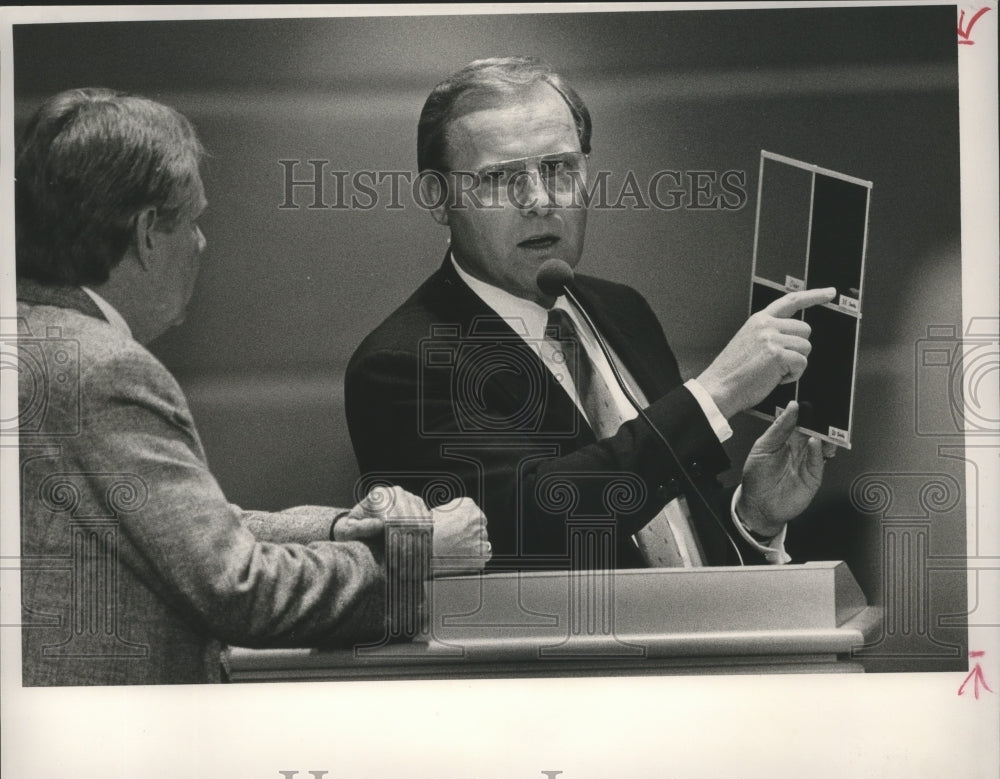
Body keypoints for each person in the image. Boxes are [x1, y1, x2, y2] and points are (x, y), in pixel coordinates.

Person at [14, 88, 489, 686]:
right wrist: (414, 559)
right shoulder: (103, 369)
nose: (202, 244)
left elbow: (181, 532)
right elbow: (236, 588)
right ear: (146, 234)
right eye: (194, 220)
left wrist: (341, 527)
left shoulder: (32, 344)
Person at [345, 57, 836, 572]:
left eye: (559, 169)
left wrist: (753, 515)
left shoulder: (621, 311)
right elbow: (534, 523)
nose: (538, 199)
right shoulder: (401, 364)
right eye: (501, 178)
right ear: (438, 198)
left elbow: (660, 534)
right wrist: (716, 393)